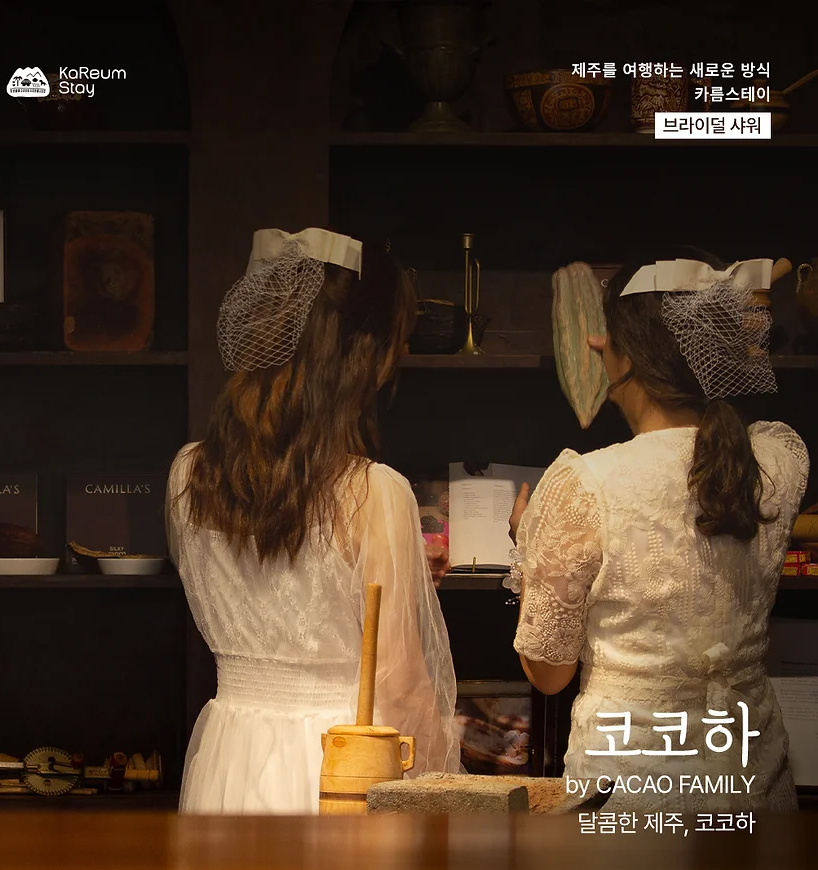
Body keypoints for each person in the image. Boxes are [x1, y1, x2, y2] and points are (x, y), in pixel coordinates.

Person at [166, 228, 460, 814]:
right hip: (338, 765)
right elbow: (400, 688)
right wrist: (444, 795)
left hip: (231, 752)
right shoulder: (374, 491)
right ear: (360, 357)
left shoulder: (187, 472)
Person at [507, 249, 808, 813]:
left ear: (624, 354)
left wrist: (530, 547)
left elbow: (548, 674)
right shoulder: (779, 463)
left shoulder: (584, 485)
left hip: (630, 797)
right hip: (753, 788)